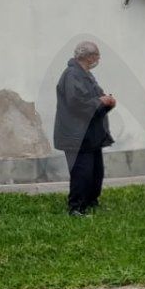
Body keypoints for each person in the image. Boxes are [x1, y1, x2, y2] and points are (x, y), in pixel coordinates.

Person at [54, 41, 116, 217]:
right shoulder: (72, 75)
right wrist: (100, 102)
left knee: (96, 172)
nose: (98, 59)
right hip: (77, 136)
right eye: (96, 56)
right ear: (89, 57)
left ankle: (91, 201)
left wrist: (107, 102)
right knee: (82, 172)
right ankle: (76, 207)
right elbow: (76, 104)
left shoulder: (86, 75)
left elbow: (97, 98)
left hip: (91, 135)